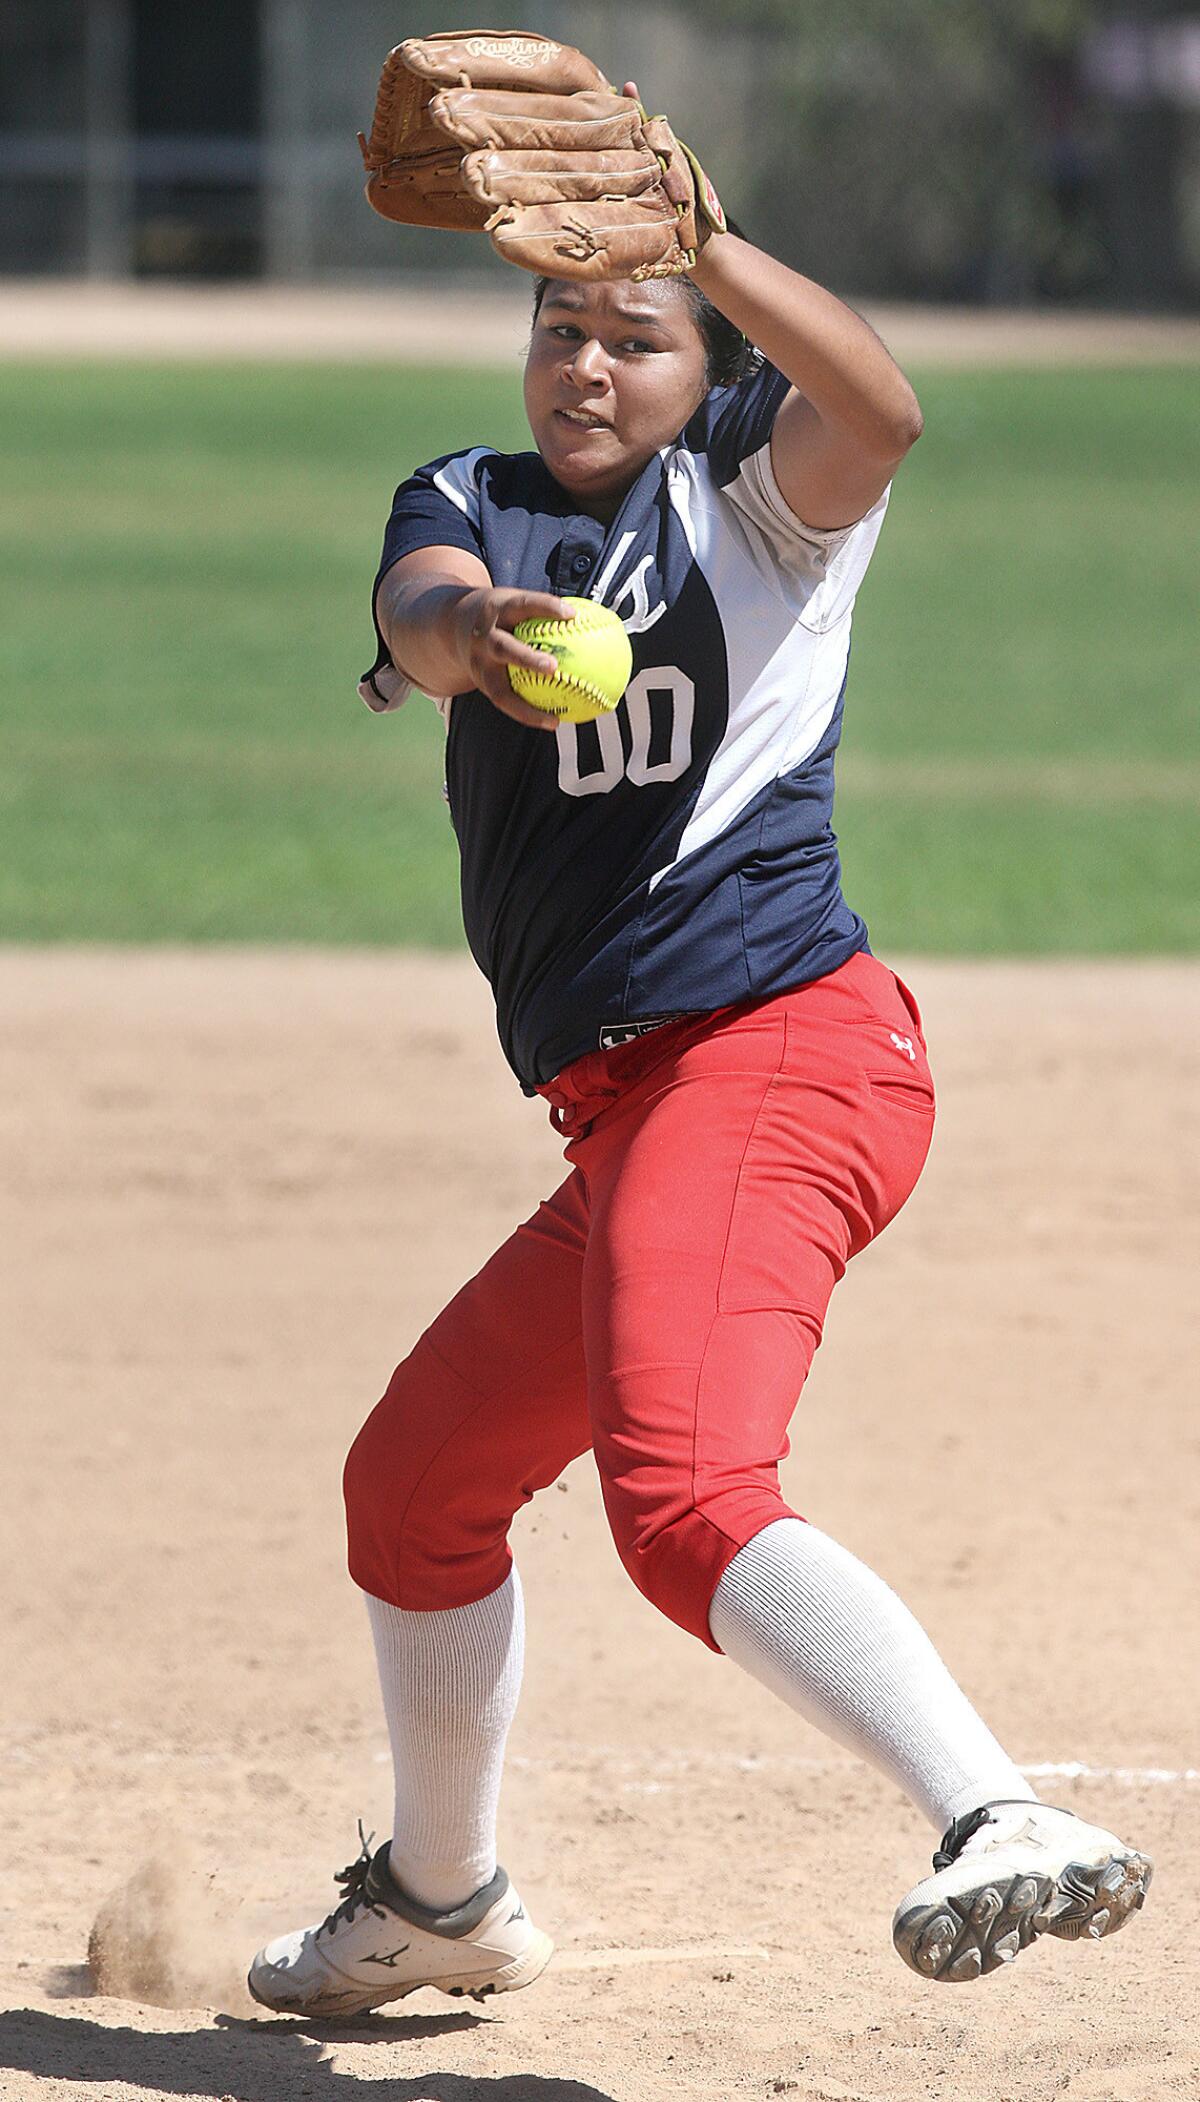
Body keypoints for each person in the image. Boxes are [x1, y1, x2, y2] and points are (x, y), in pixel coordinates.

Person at [248, 84, 1150, 2015]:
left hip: (780, 1053)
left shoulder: (756, 493)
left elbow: (883, 414)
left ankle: (994, 1810)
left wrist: (707, 239)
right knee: (414, 1485)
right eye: (561, 325)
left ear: (703, 363)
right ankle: (439, 1890)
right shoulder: (468, 502)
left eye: (634, 333)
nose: (587, 360)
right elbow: (416, 616)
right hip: (632, 1115)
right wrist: (483, 623)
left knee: (682, 1494)